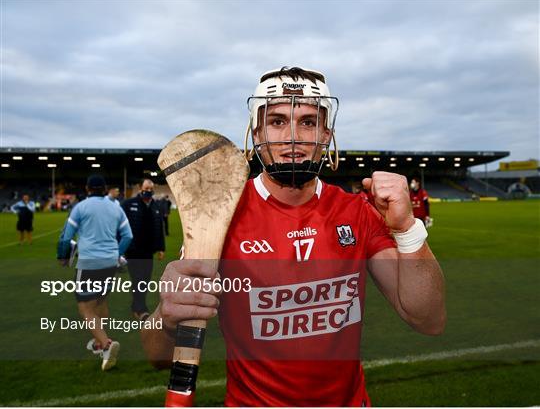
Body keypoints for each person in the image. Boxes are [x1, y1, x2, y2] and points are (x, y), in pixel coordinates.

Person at [141, 67, 446, 406]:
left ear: (326, 134)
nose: (292, 138)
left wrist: (407, 231)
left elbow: (428, 319)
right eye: (277, 121)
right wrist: (166, 316)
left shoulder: (356, 211)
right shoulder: (220, 216)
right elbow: (159, 356)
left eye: (307, 122)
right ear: (256, 133)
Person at [57, 175, 133, 371]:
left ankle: (107, 345)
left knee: (85, 307)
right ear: (105, 188)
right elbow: (128, 236)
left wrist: (63, 256)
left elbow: (66, 236)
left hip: (89, 262)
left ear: (87, 188)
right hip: (110, 263)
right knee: (100, 301)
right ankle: (99, 341)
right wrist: (117, 254)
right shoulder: (115, 207)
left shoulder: (81, 207)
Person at [121, 179, 165, 321]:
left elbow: (159, 227)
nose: (149, 190)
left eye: (151, 188)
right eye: (146, 187)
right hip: (133, 250)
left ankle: (136, 306)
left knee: (144, 280)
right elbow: (119, 226)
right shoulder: (128, 204)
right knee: (138, 279)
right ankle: (141, 309)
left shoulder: (156, 205)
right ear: (140, 188)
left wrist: (161, 248)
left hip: (148, 251)